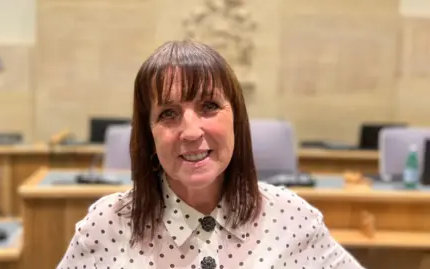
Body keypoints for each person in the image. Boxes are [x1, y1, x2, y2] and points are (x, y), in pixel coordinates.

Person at [56, 40, 364, 269]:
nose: (191, 132)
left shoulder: (293, 217)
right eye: (168, 113)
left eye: (209, 107)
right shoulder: (106, 224)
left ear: (236, 119)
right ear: (148, 133)